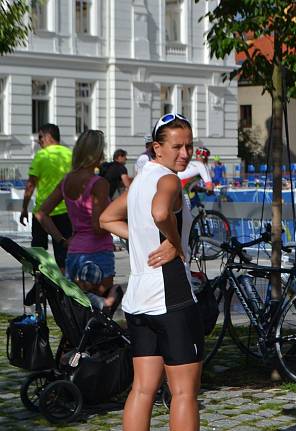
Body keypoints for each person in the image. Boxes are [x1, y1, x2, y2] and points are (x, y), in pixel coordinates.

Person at [100, 112, 202, 430]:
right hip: (170, 297)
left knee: (143, 389)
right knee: (184, 393)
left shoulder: (142, 178)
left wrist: (142, 239)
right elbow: (160, 212)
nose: (184, 153)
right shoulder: (168, 179)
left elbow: (106, 218)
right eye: (176, 146)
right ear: (157, 148)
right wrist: (173, 241)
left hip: (139, 300)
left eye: (189, 146)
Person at [36, 129, 121, 313]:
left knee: (78, 312)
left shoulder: (67, 181)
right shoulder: (99, 183)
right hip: (98, 253)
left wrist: (61, 240)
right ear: (97, 153)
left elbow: (41, 214)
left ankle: (76, 341)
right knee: (103, 307)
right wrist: (118, 214)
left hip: (74, 253)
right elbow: (98, 227)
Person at [20, 124, 73, 270]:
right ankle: (64, 288)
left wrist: (24, 208)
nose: (39, 141)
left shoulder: (41, 156)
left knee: (39, 254)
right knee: (63, 254)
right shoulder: (70, 154)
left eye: (40, 137)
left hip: (42, 214)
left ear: (48, 137)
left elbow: (31, 185)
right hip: (65, 213)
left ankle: (42, 287)